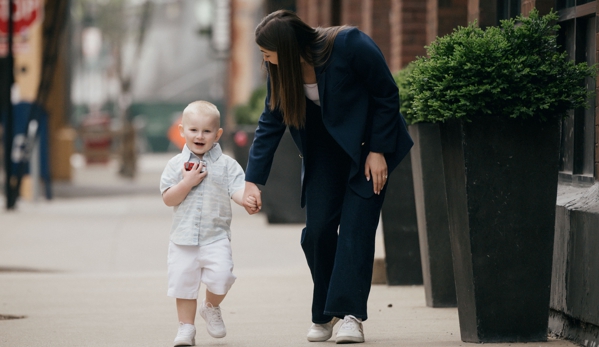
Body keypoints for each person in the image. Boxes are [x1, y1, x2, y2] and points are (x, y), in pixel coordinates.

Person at [242, 10, 413, 344]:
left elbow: (386, 94)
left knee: (355, 230)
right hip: (324, 157)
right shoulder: (280, 72)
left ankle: (350, 316)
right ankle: (329, 308)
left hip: (368, 151)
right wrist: (253, 180)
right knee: (316, 233)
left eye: (268, 52)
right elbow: (270, 123)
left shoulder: (349, 44)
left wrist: (378, 150)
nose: (265, 59)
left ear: (287, 48)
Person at [160, 101, 257, 346]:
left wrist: (246, 199)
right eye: (193, 130)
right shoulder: (175, 165)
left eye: (206, 131)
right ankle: (186, 328)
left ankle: (211, 306)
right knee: (184, 285)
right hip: (183, 239)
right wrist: (187, 182)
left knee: (223, 277)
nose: (199, 136)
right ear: (182, 130)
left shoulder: (227, 165)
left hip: (216, 236)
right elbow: (168, 198)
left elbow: (236, 188)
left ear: (218, 134)